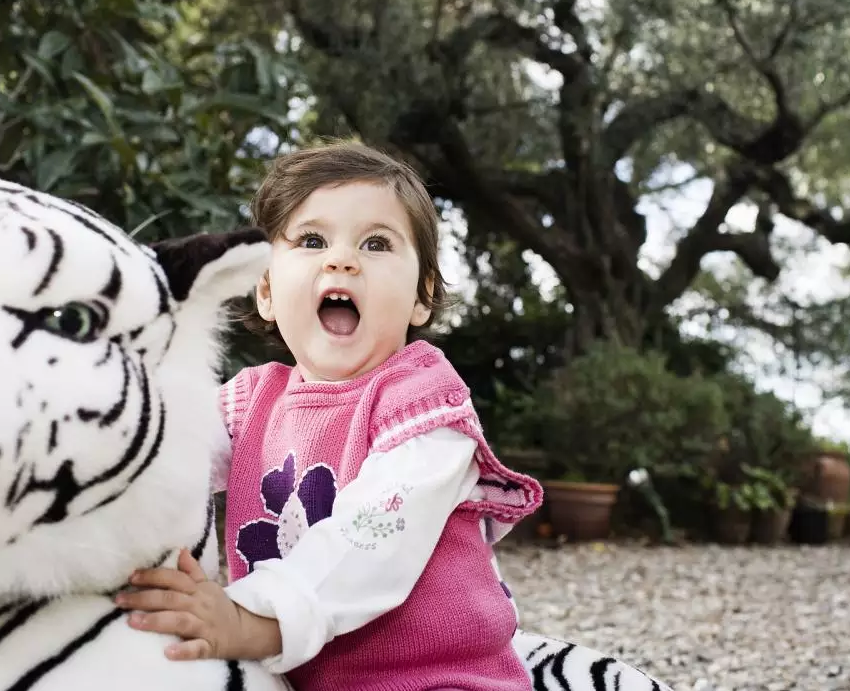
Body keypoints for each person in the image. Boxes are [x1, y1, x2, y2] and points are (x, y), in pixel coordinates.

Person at [115, 141, 543, 690]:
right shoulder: (251, 400)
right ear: (266, 290)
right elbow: (164, 458)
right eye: (312, 240)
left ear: (422, 296)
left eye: (376, 243)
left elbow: (371, 541)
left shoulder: (424, 403)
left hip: (439, 679)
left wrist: (249, 618)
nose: (342, 259)